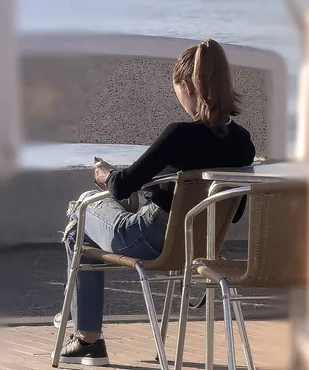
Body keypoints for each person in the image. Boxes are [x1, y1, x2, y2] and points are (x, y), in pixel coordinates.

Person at [56, 38, 257, 366]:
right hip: (198, 247)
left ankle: (85, 335)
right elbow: (234, 212)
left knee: (83, 207)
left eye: (177, 87)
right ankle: (81, 328)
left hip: (146, 238)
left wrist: (103, 172)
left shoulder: (179, 134)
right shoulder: (243, 142)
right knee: (79, 229)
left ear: (189, 85)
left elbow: (121, 186)